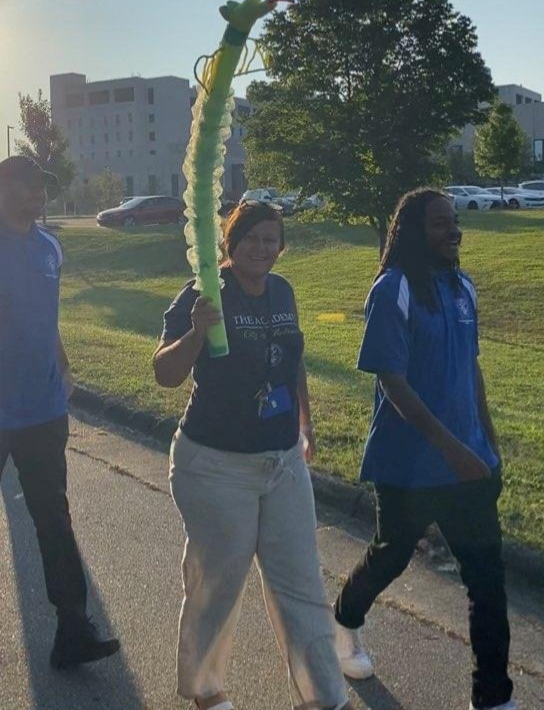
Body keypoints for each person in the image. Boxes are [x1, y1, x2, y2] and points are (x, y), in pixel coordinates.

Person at [153, 201, 361, 710]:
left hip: (282, 459)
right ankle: (205, 689)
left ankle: (324, 695)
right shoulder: (205, 292)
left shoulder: (283, 291)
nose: (262, 248)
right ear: (230, 241)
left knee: (301, 582)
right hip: (216, 464)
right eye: (252, 238)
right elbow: (164, 372)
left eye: (272, 239)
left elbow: (293, 360)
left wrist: (305, 424)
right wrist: (198, 331)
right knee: (218, 583)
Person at [332, 188, 516, 710]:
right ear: (414, 231)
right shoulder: (394, 289)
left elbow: (471, 368)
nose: (453, 231)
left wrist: (487, 440)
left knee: (487, 582)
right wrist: (450, 448)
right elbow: (392, 379)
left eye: (455, 221)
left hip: (470, 464)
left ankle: (494, 696)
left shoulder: (463, 287)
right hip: (409, 466)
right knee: (391, 555)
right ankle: (343, 620)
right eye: (440, 223)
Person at [0, 155, 120, 669]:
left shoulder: (51, 246)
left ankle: (73, 629)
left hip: (43, 408)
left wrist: (65, 369)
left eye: (43, 186)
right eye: (28, 184)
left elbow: (47, 317)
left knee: (54, 519)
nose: (39, 193)